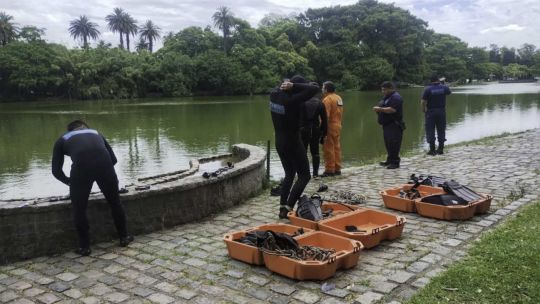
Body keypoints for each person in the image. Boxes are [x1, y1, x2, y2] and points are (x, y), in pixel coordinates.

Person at [52, 120, 133, 256]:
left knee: (79, 209)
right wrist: (102, 173)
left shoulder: (62, 139)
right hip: (105, 167)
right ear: (85, 127)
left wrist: (71, 182)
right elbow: (113, 159)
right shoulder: (97, 133)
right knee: (115, 203)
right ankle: (124, 237)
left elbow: (56, 171)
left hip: (81, 171)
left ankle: (85, 247)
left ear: (70, 130)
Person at [270, 76, 320, 219]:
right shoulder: (292, 100)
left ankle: (282, 208)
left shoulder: (274, 95)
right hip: (293, 140)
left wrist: (288, 84)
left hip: (279, 140)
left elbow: (279, 88)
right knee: (305, 175)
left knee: (290, 174)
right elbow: (314, 88)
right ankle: (288, 207)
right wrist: (294, 86)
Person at [373, 81, 405, 169]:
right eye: (382, 90)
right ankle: (389, 160)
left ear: (391, 88)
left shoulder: (396, 97)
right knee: (388, 143)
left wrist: (379, 109)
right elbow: (384, 106)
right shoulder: (387, 97)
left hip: (394, 125)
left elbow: (392, 110)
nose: (383, 91)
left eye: (384, 90)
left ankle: (395, 162)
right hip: (387, 125)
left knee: (394, 143)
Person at [299, 82, 328, 177]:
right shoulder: (320, 103)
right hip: (316, 129)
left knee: (303, 151)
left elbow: (297, 118)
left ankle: (304, 173)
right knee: (315, 152)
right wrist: (324, 134)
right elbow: (324, 120)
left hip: (303, 129)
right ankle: (315, 174)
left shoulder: (302, 101)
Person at [421, 74, 451, 155]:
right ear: (438, 80)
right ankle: (441, 149)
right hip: (441, 111)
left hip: (430, 112)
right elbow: (448, 92)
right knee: (441, 129)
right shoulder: (444, 87)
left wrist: (423, 109)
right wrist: (443, 84)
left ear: (430, 81)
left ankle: (432, 150)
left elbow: (423, 101)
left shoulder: (427, 89)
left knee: (430, 130)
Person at [321, 81, 343, 177]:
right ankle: (337, 168)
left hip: (329, 126)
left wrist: (322, 129)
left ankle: (329, 170)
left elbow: (325, 116)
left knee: (328, 148)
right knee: (336, 147)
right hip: (338, 125)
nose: (322, 89)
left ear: (326, 89)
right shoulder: (338, 98)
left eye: (323, 87)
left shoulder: (327, 99)